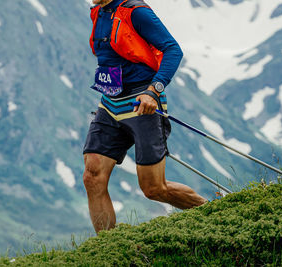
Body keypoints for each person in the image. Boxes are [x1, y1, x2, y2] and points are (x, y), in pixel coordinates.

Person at [83, 0, 207, 233]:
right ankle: (107, 249)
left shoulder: (136, 12)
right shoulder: (98, 12)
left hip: (143, 103)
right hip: (110, 105)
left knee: (154, 189)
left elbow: (173, 49)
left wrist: (154, 91)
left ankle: (210, 210)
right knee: (92, 175)